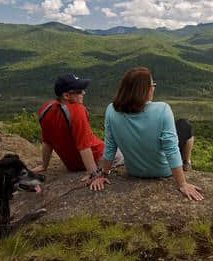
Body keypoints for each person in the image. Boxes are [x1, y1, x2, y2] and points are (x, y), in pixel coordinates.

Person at [87, 66, 203, 201]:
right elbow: (171, 149)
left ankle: (186, 162)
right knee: (185, 126)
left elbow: (110, 146)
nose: (154, 87)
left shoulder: (111, 110)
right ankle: (186, 162)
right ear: (144, 89)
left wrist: (103, 174)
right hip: (164, 171)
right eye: (152, 84)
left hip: (134, 171)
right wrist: (182, 183)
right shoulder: (163, 109)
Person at [34, 73, 122, 174]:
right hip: (98, 156)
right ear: (66, 95)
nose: (83, 93)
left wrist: (44, 166)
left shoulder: (45, 109)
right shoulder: (77, 111)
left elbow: (47, 142)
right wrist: (93, 174)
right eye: (79, 91)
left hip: (72, 165)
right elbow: (84, 146)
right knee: (122, 151)